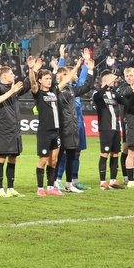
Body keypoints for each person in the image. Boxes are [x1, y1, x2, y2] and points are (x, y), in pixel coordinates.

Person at [26, 55, 73, 196]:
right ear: (41, 80)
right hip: (45, 132)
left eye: (49, 78)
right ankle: (40, 188)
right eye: (46, 78)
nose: (49, 80)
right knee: (43, 160)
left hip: (56, 131)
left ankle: (51, 187)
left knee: (53, 160)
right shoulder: (38, 93)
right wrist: (31, 69)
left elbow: (66, 79)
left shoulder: (54, 91)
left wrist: (77, 66)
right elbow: (32, 83)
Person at [0, 65, 28, 197]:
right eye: (11, 74)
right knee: (1, 157)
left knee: (13, 158)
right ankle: (0, 189)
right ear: (4, 76)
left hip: (15, 128)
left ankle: (11, 188)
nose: (13, 75)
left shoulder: (14, 88)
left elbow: (27, 85)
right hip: (3, 128)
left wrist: (32, 70)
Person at [55, 54, 90, 193]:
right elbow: (58, 74)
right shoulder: (62, 89)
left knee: (77, 152)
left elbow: (84, 79)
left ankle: (74, 180)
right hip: (66, 123)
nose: (75, 76)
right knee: (64, 152)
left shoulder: (75, 88)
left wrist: (86, 63)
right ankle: (58, 179)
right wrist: (62, 58)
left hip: (78, 124)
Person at [92, 70, 125, 190]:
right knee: (104, 153)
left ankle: (113, 181)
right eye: (111, 79)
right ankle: (102, 182)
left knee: (115, 153)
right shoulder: (97, 94)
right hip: (105, 128)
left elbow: (127, 102)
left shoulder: (115, 94)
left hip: (116, 128)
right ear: (105, 80)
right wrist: (107, 83)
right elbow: (98, 96)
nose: (114, 81)